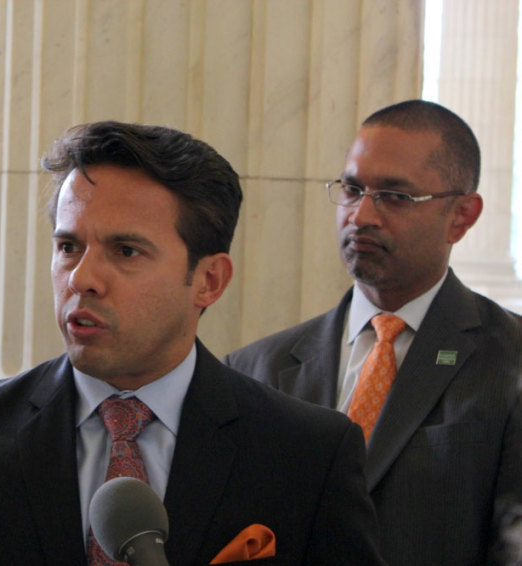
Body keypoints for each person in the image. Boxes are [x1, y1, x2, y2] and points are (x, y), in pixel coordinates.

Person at [0, 121, 385, 565]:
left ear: (209, 280)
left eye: (125, 251)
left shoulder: (307, 454)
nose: (82, 278)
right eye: (68, 246)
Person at [224, 100, 522, 566]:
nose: (361, 215)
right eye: (352, 189)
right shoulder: (254, 370)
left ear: (462, 215)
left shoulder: (510, 360)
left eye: (395, 196)